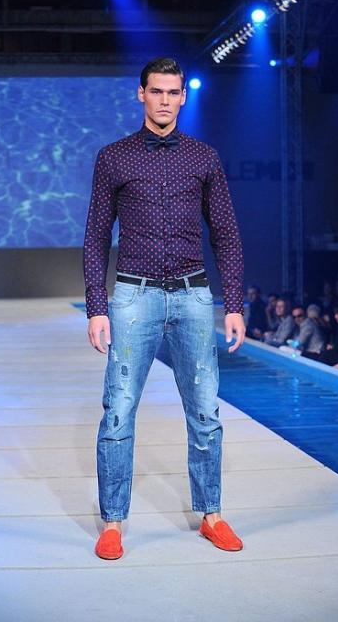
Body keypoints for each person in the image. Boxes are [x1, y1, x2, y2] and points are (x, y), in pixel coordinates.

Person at [83, 57, 246, 560]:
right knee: (118, 411)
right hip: (134, 296)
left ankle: (211, 515)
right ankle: (113, 523)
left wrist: (233, 303)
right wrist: (96, 306)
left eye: (174, 92)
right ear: (141, 94)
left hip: (194, 296)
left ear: (182, 97)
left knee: (205, 411)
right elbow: (95, 235)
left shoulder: (204, 157)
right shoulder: (114, 157)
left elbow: (225, 232)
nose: (165, 101)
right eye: (156, 91)